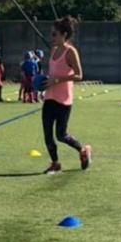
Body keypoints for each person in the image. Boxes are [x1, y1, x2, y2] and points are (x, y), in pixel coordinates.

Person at [41, 16, 92, 175]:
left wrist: (57, 80)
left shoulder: (71, 52)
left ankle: (83, 150)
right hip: (49, 98)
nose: (52, 37)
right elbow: (53, 73)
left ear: (64, 35)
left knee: (61, 135)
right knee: (48, 134)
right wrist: (44, 82)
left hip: (63, 100)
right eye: (51, 34)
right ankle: (55, 163)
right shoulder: (54, 51)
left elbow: (79, 75)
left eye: (54, 34)